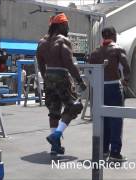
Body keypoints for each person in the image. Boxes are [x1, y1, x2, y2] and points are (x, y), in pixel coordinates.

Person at [36, 12, 87, 155]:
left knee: (54, 111)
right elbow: (69, 63)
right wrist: (80, 81)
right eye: (67, 24)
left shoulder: (42, 42)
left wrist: (46, 77)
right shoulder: (63, 41)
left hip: (48, 77)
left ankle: (55, 146)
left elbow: (40, 64)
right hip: (61, 76)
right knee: (75, 106)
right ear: (61, 25)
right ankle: (56, 134)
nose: (68, 27)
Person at [89, 26, 131, 162]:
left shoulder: (95, 52)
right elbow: (126, 67)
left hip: (99, 88)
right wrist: (126, 80)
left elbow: (90, 71)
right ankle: (115, 152)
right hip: (113, 86)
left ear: (103, 36)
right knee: (116, 119)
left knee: (104, 119)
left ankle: (103, 150)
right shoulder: (117, 49)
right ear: (113, 35)